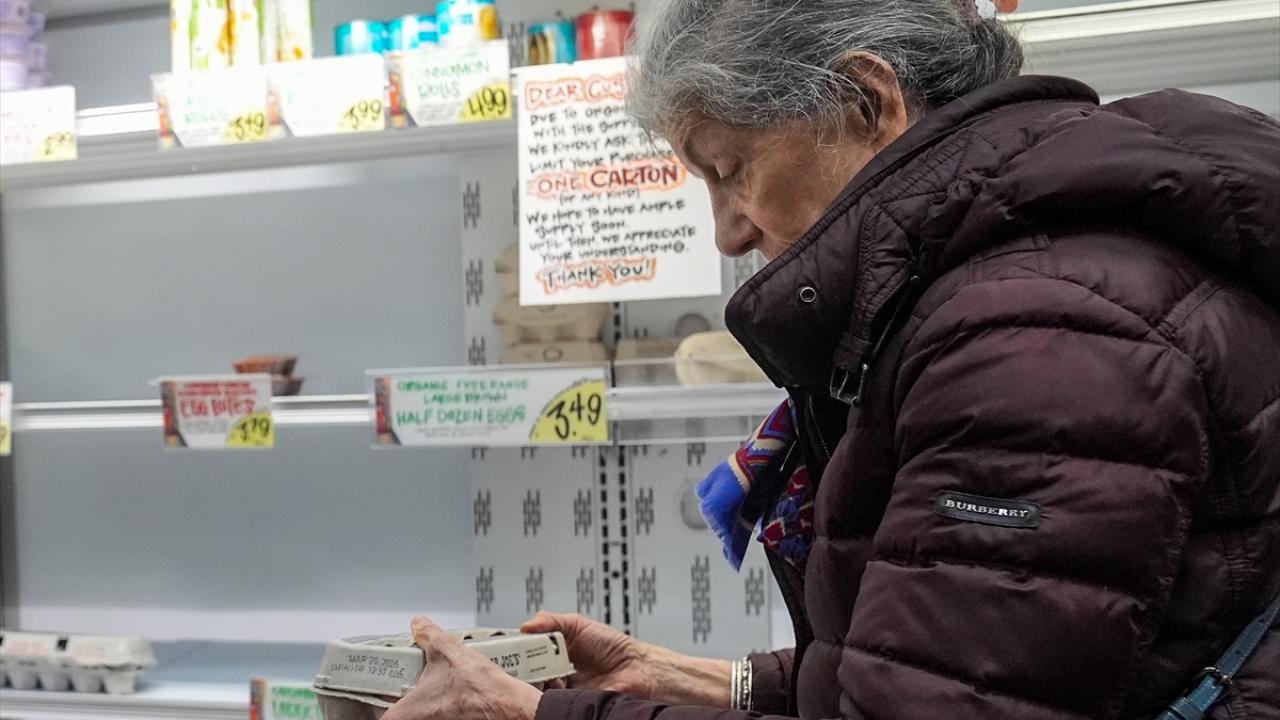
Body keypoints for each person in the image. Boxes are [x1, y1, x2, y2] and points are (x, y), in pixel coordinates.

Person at [383, 0, 1280, 717]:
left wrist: (527, 712)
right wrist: (688, 679)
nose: (728, 232)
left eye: (729, 168)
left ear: (865, 101)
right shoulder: (1022, 281)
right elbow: (951, 658)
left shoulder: (1035, 334)